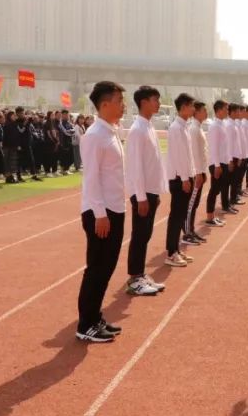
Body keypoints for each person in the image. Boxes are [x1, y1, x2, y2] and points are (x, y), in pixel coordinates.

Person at [76, 81, 128, 343]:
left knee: (106, 268)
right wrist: (100, 214)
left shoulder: (111, 131)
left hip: (114, 208)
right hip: (101, 212)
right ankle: (86, 324)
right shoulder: (95, 135)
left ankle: (95, 317)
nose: (123, 105)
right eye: (119, 101)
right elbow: (92, 178)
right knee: (96, 268)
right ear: (105, 104)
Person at [124, 85, 168, 296]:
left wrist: (156, 191)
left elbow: (155, 162)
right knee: (140, 235)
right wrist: (141, 196)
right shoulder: (137, 130)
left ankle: (140, 274)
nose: (158, 103)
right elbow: (135, 166)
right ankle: (135, 278)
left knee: (146, 234)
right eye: (155, 99)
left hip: (150, 190)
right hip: (142, 193)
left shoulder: (148, 126)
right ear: (143, 102)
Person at [165, 93, 196, 268]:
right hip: (179, 178)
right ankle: (171, 253)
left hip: (185, 176)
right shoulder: (176, 128)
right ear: (183, 107)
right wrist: (185, 178)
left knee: (180, 215)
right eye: (191, 106)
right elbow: (178, 156)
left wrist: (191, 175)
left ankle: (175, 249)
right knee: (176, 216)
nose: (193, 109)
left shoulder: (184, 126)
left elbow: (188, 155)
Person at [183, 101, 209, 246]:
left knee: (195, 203)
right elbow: (194, 154)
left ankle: (191, 230)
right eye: (204, 110)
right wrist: (198, 173)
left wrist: (203, 172)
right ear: (197, 112)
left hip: (200, 171)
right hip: (196, 172)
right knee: (191, 204)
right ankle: (187, 233)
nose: (206, 112)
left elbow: (202, 152)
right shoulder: (193, 129)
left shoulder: (198, 128)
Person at [205, 100, 232, 227]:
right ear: (219, 110)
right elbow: (213, 147)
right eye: (226, 109)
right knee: (214, 190)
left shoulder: (222, 124)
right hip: (217, 164)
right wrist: (217, 165)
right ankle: (209, 217)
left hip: (222, 162)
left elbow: (225, 146)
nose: (228, 111)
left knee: (217, 189)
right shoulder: (214, 126)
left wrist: (228, 160)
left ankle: (212, 216)